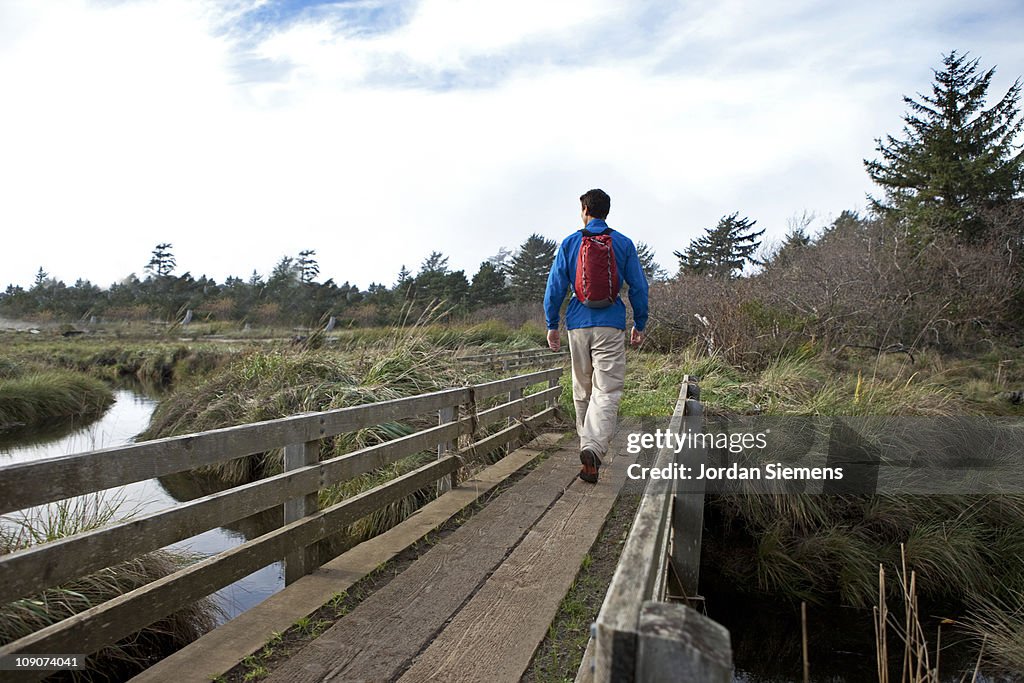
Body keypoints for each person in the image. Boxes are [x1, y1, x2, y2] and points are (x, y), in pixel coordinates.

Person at [543, 189, 649, 483]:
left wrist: (552, 324)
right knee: (607, 390)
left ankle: (586, 450)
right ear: (606, 211)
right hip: (611, 324)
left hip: (577, 324)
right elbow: (639, 287)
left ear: (586, 209)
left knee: (583, 389)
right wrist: (639, 323)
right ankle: (593, 447)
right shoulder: (623, 243)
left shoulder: (570, 242)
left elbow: (555, 288)